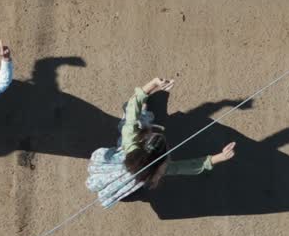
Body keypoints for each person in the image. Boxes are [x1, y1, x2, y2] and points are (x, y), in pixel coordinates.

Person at [87, 77, 236, 207]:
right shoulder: (161, 168)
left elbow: (133, 109)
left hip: (116, 170)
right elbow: (188, 166)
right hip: (125, 182)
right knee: (142, 120)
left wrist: (153, 84)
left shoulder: (130, 142)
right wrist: (220, 157)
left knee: (138, 119)